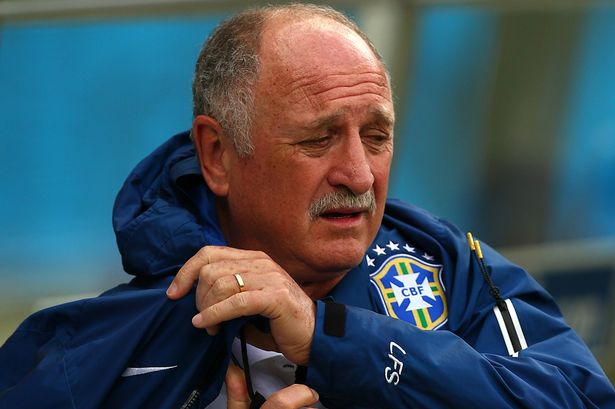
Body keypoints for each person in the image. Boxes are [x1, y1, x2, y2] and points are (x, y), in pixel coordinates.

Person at [1, 3, 614, 408]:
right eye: (318, 139)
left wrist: (335, 342)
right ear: (217, 155)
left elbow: (580, 399)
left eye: (376, 137)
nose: (358, 174)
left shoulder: (449, 266)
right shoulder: (96, 352)